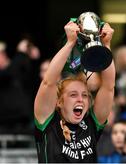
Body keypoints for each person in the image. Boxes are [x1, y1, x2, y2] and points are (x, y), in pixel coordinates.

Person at [34, 21, 115, 163]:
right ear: (59, 101)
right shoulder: (48, 122)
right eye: (73, 95)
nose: (80, 99)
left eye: (84, 95)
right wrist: (70, 43)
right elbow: (48, 82)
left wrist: (106, 45)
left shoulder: (91, 123)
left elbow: (108, 86)